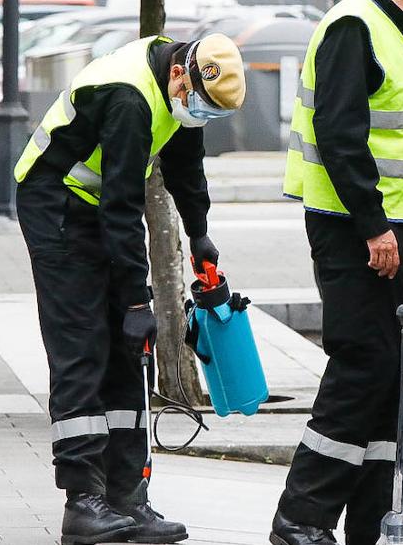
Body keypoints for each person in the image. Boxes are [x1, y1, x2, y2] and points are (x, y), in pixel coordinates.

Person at [13, 32, 246, 545]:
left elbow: (186, 164)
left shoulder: (181, 88)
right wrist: (138, 300)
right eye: (200, 107)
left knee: (127, 350)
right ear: (180, 75)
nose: (198, 116)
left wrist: (200, 231)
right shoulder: (128, 97)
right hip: (56, 204)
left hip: (97, 206)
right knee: (82, 347)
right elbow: (123, 208)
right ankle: (83, 504)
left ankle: (126, 499)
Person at [272, 0, 403, 545]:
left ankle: (371, 520)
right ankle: (301, 518)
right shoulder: (353, 27)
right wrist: (373, 226)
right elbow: (340, 136)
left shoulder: (398, 28)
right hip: (355, 230)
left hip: (389, 227)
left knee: (387, 374)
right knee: (364, 364)